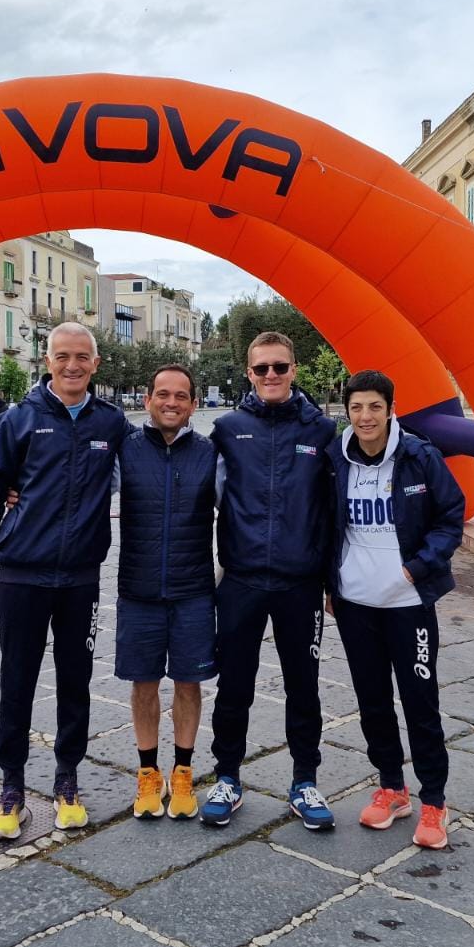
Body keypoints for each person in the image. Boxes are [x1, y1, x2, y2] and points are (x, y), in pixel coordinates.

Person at [0, 323, 129, 839]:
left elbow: (145, 467)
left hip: (80, 577)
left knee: (75, 683)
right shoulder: (20, 418)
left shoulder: (112, 422)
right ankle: (11, 787)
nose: (72, 365)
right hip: (22, 574)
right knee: (17, 682)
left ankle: (67, 780)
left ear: (96, 364)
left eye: (82, 356)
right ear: (48, 359)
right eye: (63, 356)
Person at [202, 331, 338, 830]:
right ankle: (227, 777)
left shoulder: (323, 432)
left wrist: (332, 580)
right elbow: (184, 481)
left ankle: (305, 781)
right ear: (249, 373)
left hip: (300, 583)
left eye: (280, 367)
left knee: (304, 686)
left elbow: (338, 508)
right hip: (240, 580)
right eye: (261, 369)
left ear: (294, 370)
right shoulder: (227, 428)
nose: (271, 376)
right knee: (234, 684)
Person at [326, 369, 465, 850]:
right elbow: (325, 524)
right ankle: (391, 787)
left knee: (420, 703)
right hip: (355, 604)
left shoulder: (419, 456)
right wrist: (331, 581)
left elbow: (451, 516)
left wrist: (418, 568)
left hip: (408, 604)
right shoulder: (334, 459)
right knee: (373, 703)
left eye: (374, 407)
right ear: (348, 411)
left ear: (390, 410)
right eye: (357, 407)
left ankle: (434, 801)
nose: (365, 417)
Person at [116, 364, 217, 821]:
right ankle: (147, 773)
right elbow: (72, 481)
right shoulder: (125, 449)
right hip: (138, 590)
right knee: (143, 684)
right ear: (147, 400)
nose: (171, 402)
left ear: (193, 404)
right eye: (162, 394)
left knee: (189, 683)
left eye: (180, 396)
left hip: (193, 590)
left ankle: (182, 772)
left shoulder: (210, 454)